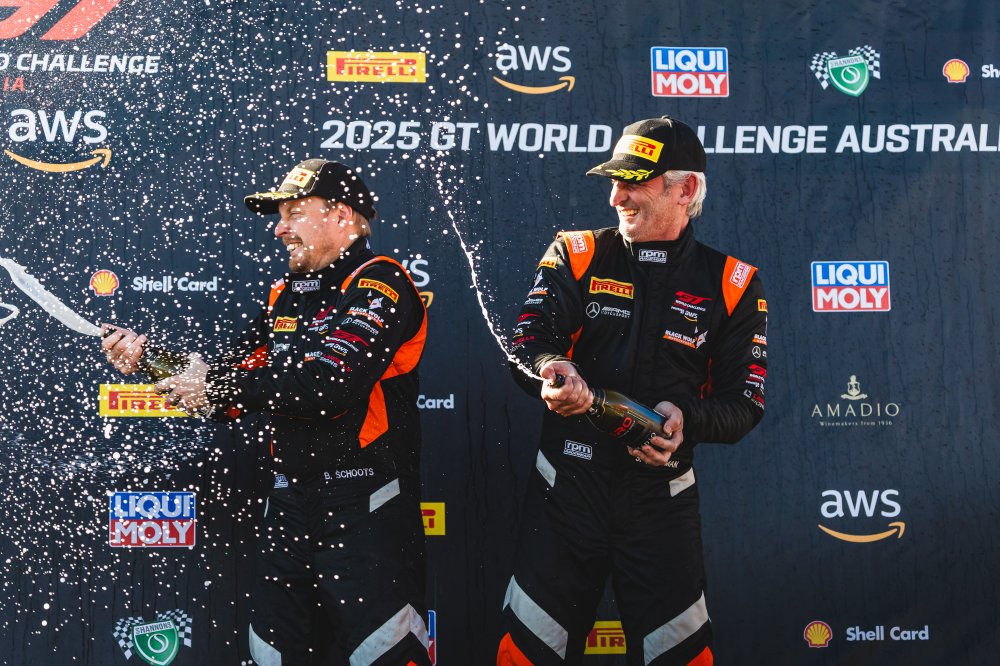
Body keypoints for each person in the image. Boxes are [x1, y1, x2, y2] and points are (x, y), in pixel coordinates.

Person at [102, 159, 431, 666]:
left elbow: (329, 385)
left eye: (294, 213)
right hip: (289, 505)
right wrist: (147, 361)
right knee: (275, 653)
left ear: (341, 215)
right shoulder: (286, 296)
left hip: (366, 506)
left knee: (385, 653)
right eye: (279, 216)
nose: (279, 229)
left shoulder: (379, 282)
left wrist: (214, 385)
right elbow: (224, 386)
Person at [498, 117, 768, 666]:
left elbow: (745, 404)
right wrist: (552, 368)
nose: (616, 196)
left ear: (685, 190)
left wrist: (685, 417)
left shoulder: (733, 282)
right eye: (615, 180)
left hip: (661, 501)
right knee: (525, 653)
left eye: (635, 182)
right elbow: (528, 340)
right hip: (566, 490)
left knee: (681, 656)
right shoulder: (577, 251)